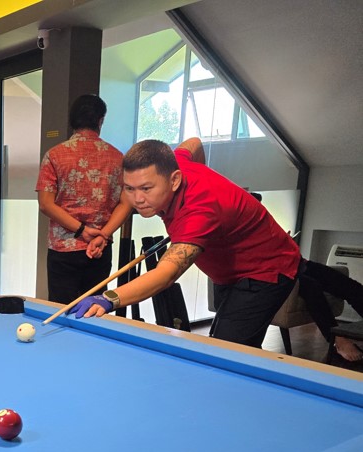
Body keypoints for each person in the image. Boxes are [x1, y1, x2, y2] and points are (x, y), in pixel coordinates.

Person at [72, 137, 301, 349]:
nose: (137, 199)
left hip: (267, 270)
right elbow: (194, 142)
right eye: (129, 188)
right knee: (227, 342)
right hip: (229, 269)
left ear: (174, 181)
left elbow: (165, 275)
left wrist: (109, 298)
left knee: (227, 351)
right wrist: (202, 174)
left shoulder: (199, 212)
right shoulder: (174, 163)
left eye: (146, 189)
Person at [35, 94, 129, 304]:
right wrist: (103, 234)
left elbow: (45, 204)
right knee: (94, 307)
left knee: (61, 308)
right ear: (100, 121)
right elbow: (126, 203)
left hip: (63, 248)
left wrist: (81, 230)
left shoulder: (54, 155)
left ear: (72, 121)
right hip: (100, 247)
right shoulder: (118, 158)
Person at [297, 259, 363, 362]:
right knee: (312, 287)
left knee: (351, 286)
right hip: (277, 270)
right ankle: (338, 340)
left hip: (298, 263)